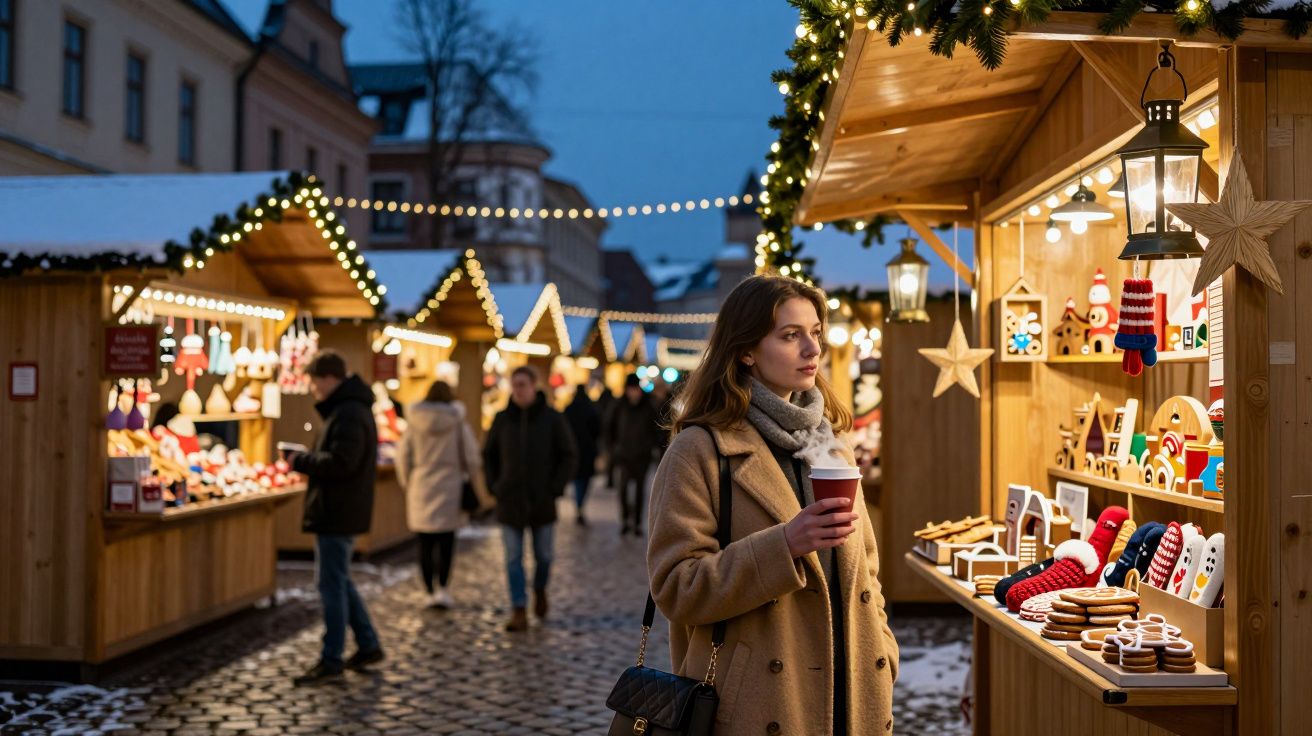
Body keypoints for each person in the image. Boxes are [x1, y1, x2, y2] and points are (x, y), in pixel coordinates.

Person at [647, 276, 899, 735]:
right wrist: (783, 545)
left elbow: (868, 570)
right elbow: (676, 587)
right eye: (790, 335)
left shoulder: (831, 444)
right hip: (759, 706)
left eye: (815, 333)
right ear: (745, 350)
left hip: (854, 698)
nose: (811, 349)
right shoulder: (700, 451)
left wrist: (883, 653)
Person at [287, 350, 384, 685]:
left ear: (329, 378)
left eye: (314, 381)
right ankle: (368, 644)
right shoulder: (350, 409)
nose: (313, 388)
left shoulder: (348, 413)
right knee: (340, 580)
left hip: (337, 509)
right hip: (341, 508)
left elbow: (342, 463)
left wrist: (300, 461)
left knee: (331, 585)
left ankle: (331, 658)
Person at [483, 365, 577, 632]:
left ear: (534, 385)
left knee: (544, 556)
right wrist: (494, 486)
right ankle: (519, 608)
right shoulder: (502, 419)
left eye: (522, 384)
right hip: (509, 501)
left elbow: (569, 454)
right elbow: (488, 454)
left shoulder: (551, 418)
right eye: (514, 385)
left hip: (541, 500)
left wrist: (555, 487)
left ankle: (539, 589)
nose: (518, 390)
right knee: (513, 558)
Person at [395, 380, 481, 609]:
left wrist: (408, 482)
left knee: (424, 542)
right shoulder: (457, 422)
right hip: (450, 483)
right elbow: (472, 456)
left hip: (421, 484)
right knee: (446, 541)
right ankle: (443, 587)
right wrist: (468, 476)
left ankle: (428, 589)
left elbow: (403, 456)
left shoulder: (413, 422)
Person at [607, 373, 662, 536]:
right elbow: (609, 428)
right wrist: (613, 449)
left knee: (639, 491)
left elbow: (657, 430)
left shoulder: (649, 406)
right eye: (630, 389)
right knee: (623, 489)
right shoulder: (618, 406)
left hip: (642, 456)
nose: (633, 392)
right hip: (623, 455)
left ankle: (637, 523)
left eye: (635, 389)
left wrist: (653, 447)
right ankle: (625, 520)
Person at [562, 384, 601, 525]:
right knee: (584, 480)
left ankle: (578, 504)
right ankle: (580, 504)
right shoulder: (590, 409)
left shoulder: (568, 409)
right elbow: (597, 429)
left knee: (576, 479)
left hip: (573, 449)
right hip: (587, 450)